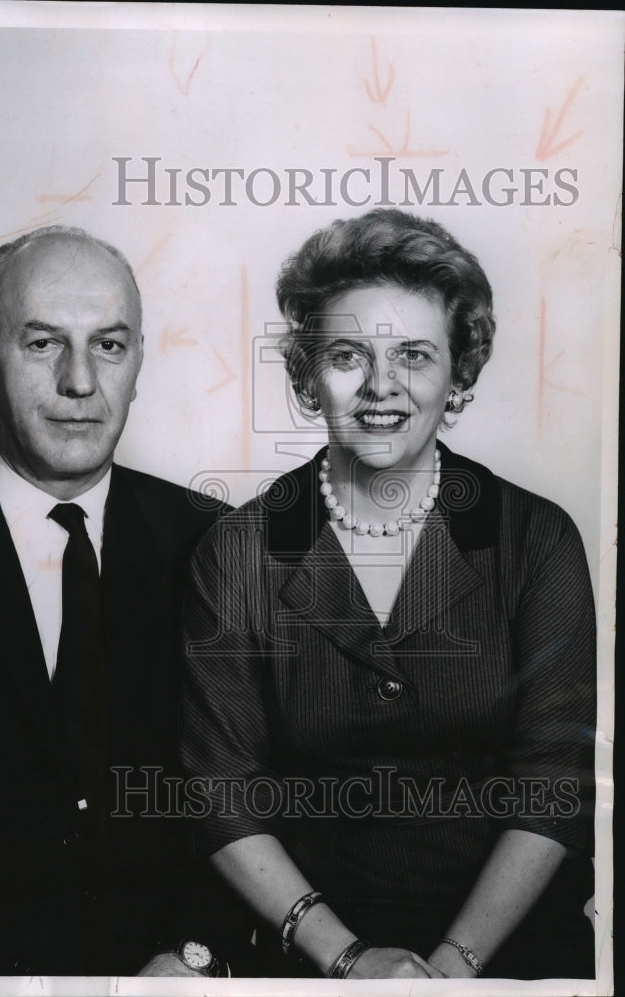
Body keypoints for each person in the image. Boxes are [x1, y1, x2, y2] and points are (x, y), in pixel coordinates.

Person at [180, 209, 596, 980]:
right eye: (348, 355)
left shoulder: (536, 540)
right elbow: (221, 793)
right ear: (306, 374)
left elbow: (555, 784)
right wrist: (349, 961)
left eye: (414, 355)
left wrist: (452, 969)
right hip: (310, 957)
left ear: (459, 372)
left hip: (511, 958)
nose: (381, 387)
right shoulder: (239, 551)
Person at [0, 226, 245, 977]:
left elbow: (256, 785)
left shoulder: (216, 544)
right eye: (42, 344)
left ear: (138, 363)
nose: (79, 383)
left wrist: (197, 956)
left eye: (109, 345)